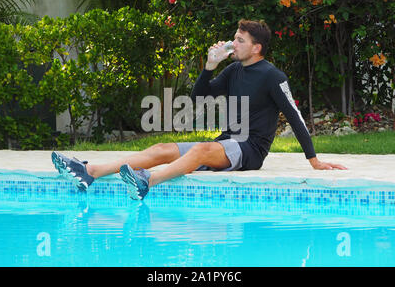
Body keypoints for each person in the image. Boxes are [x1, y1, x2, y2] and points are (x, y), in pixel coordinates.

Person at [51, 19, 347, 200]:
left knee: (201, 150)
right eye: (235, 37)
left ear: (257, 48)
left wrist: (314, 160)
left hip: (250, 150)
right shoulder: (233, 71)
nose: (233, 43)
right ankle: (90, 171)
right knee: (162, 147)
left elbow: (294, 116)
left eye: (240, 40)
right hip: (225, 144)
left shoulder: (273, 76)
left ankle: (146, 181)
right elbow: (198, 96)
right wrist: (210, 65)